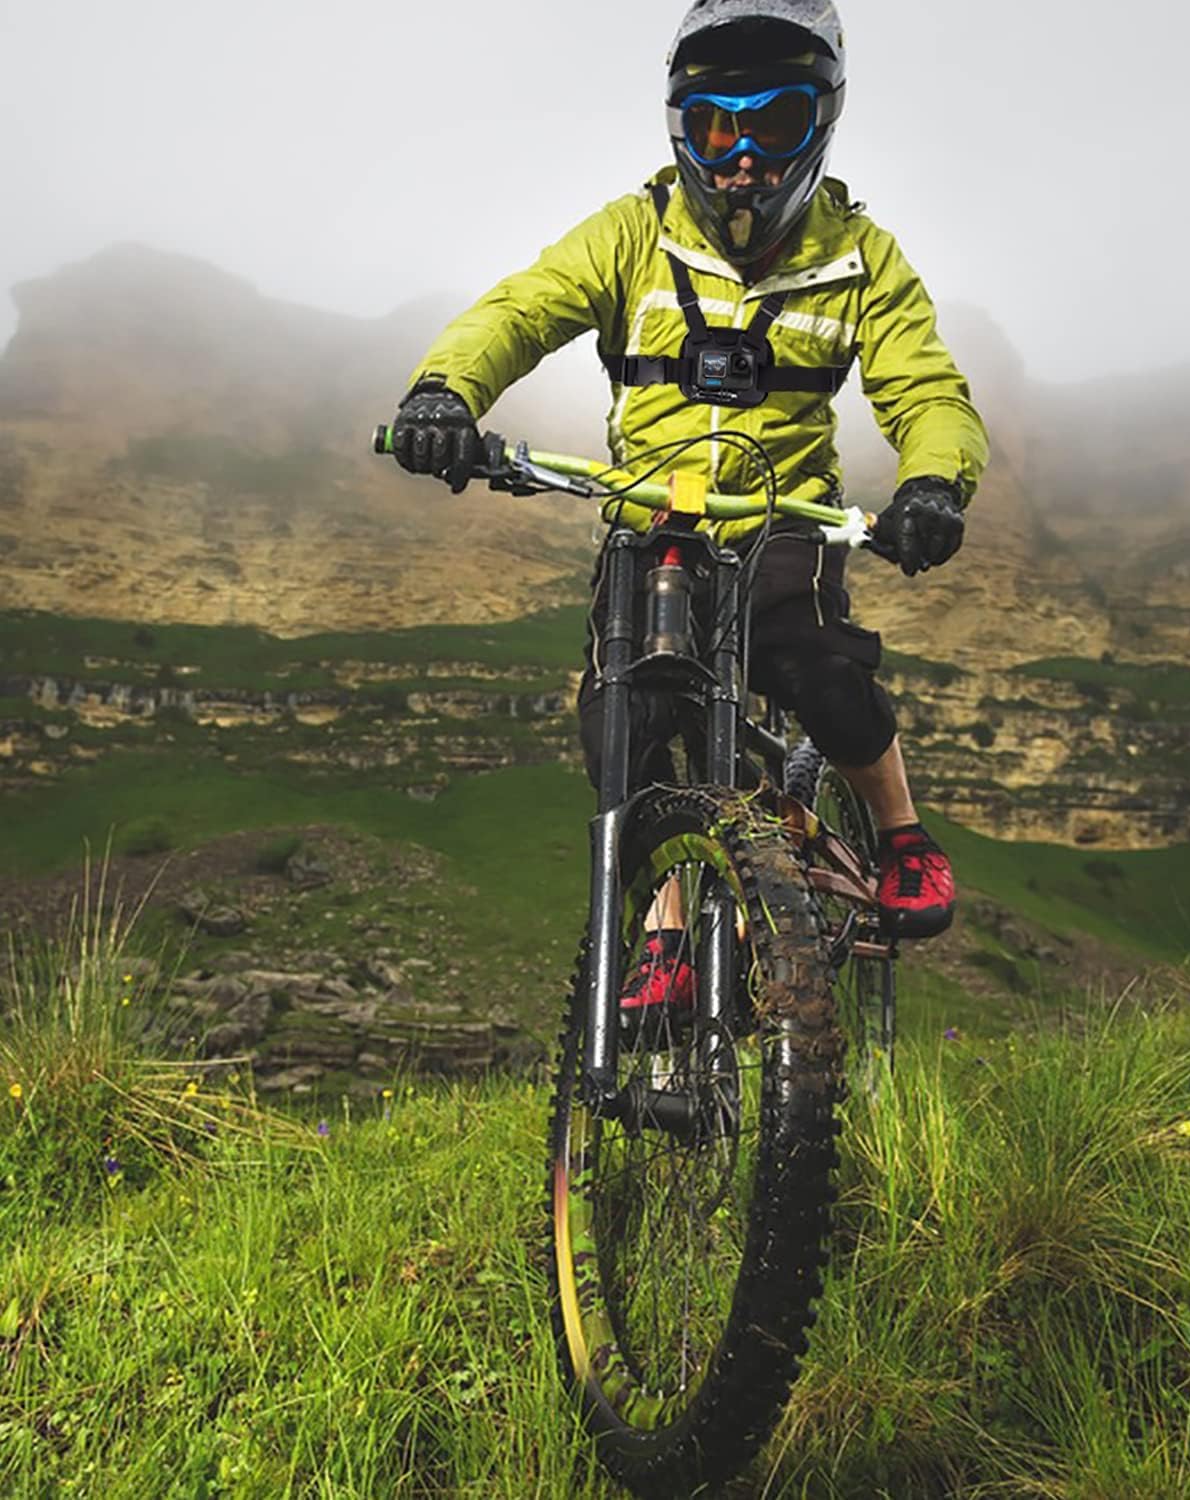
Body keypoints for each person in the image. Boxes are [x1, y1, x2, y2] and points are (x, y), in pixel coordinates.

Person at [389, 0, 990, 1021]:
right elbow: (522, 308)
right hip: (651, 526)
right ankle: (668, 927)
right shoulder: (632, 233)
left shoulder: (862, 259)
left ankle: (900, 832)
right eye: (718, 125)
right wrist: (447, 390)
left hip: (781, 522)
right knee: (626, 730)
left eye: (775, 124)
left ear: (822, 124)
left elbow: (927, 391)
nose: (743, 157)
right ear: (683, 128)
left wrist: (935, 481)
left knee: (818, 673)